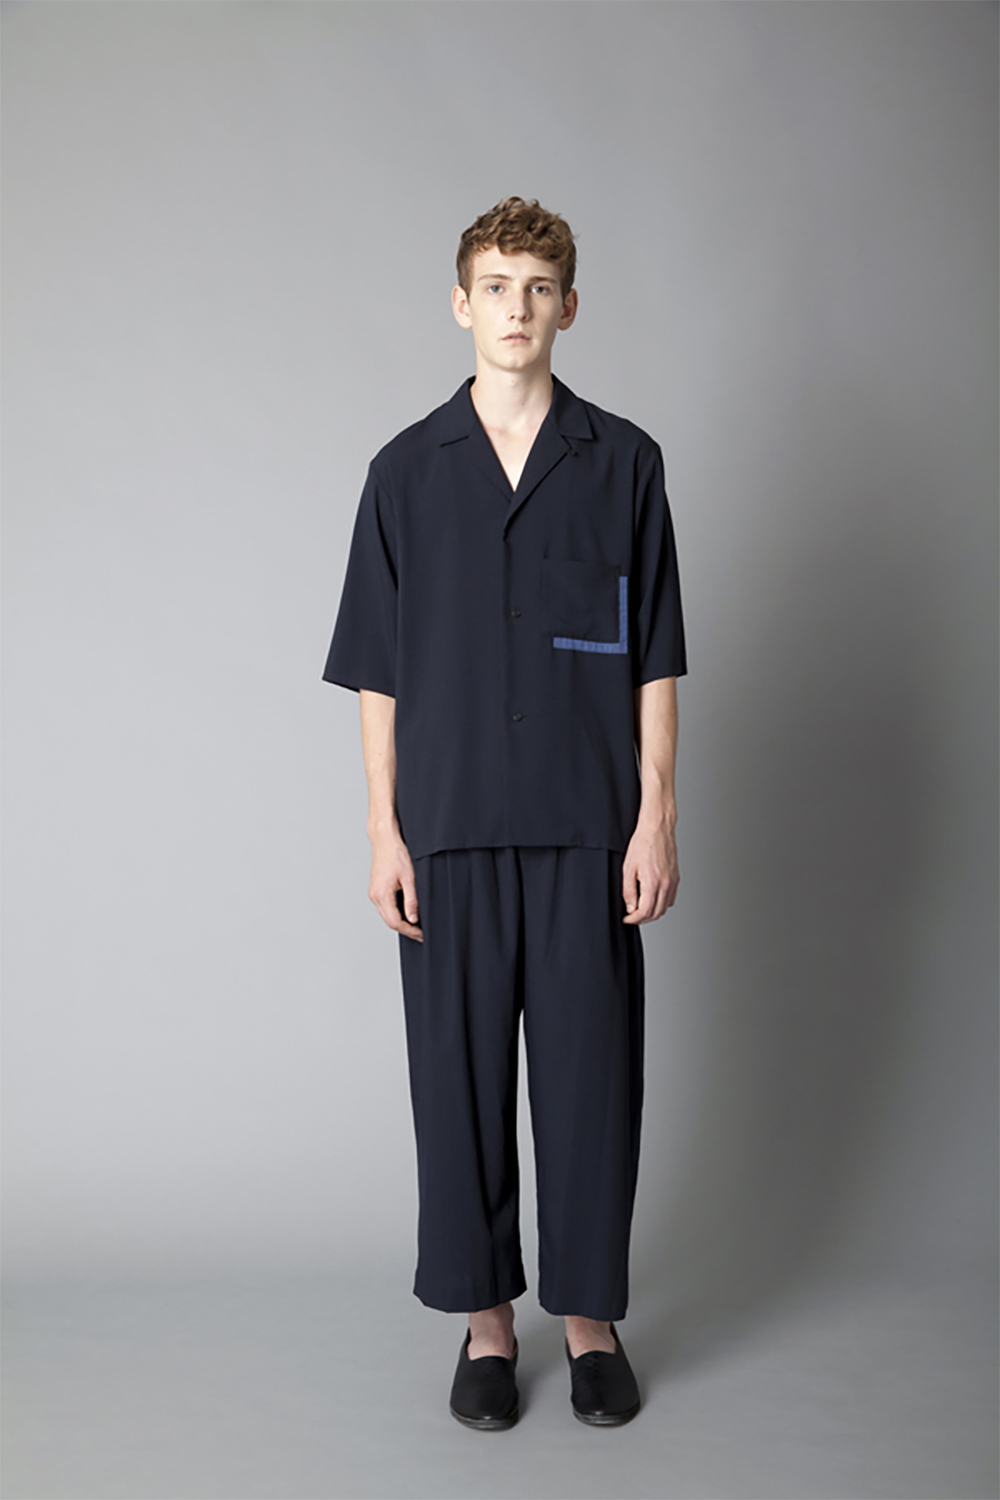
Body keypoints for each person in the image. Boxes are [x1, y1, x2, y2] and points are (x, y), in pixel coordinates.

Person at [321, 195, 687, 1429]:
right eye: (494, 286)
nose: (515, 308)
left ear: (568, 307)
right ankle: (486, 1329)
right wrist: (383, 831)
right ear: (460, 303)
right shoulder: (403, 473)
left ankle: (588, 1324)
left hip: (589, 829)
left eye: (536, 288)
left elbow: (654, 657)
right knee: (458, 1086)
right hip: (449, 827)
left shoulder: (624, 463)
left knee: (590, 1086)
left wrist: (656, 816)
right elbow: (375, 671)